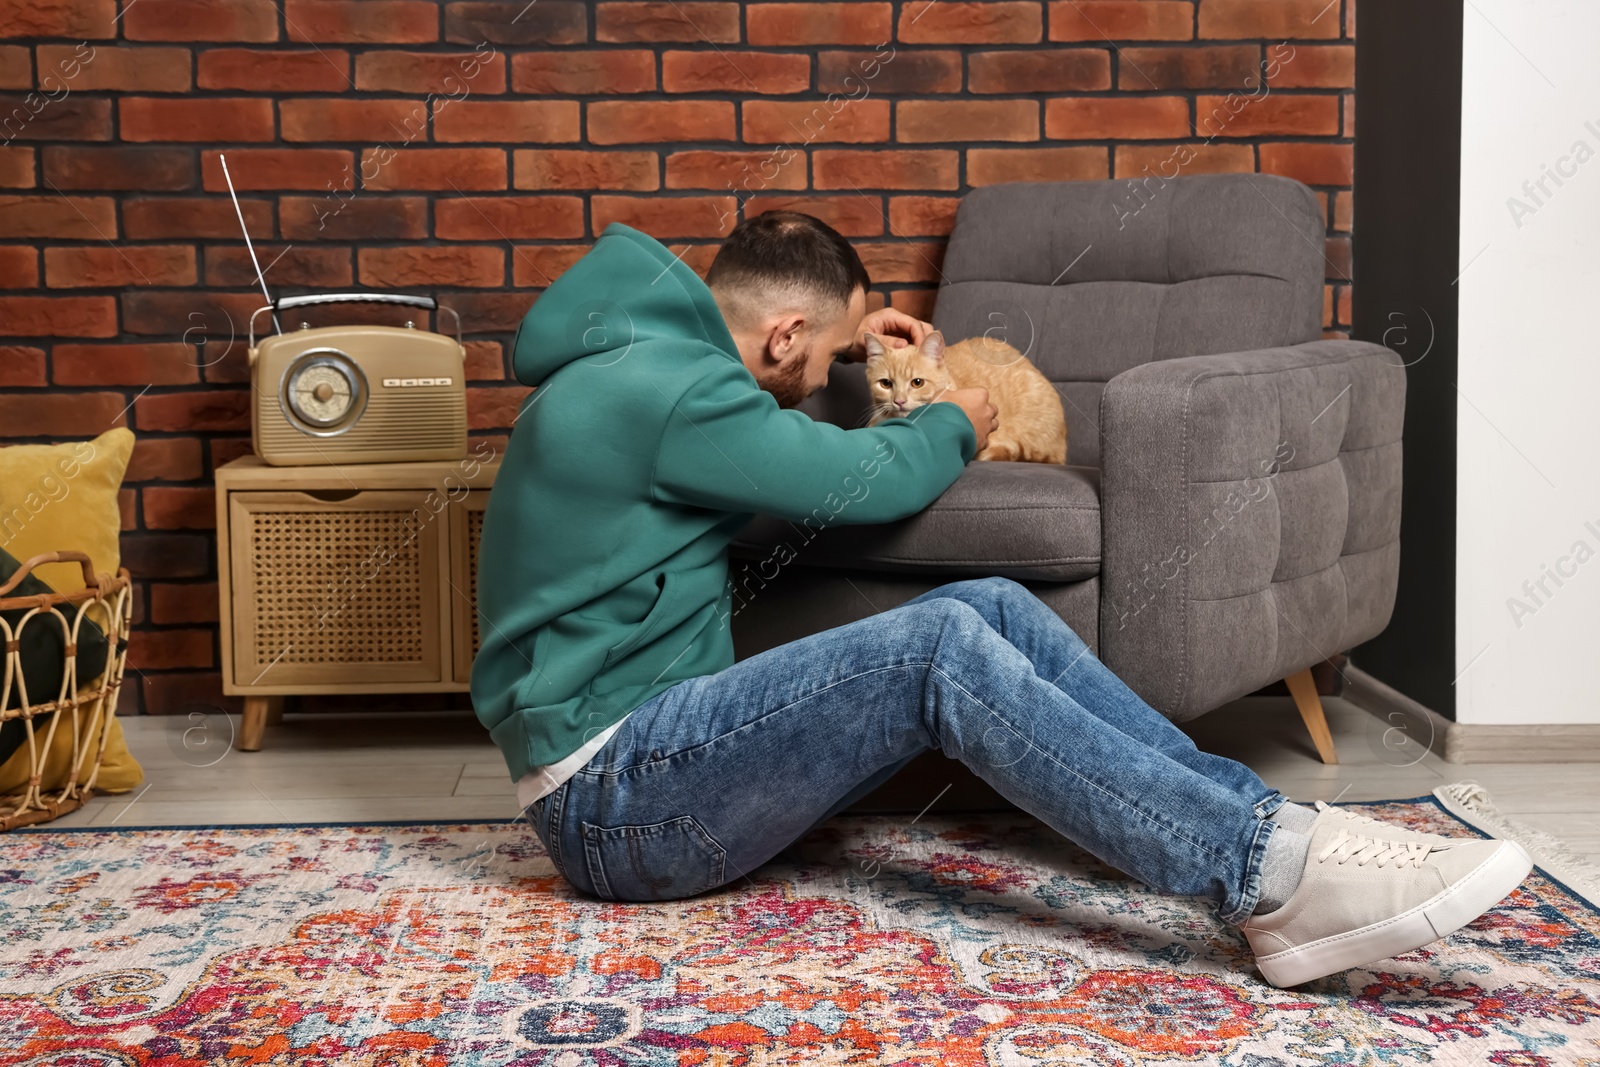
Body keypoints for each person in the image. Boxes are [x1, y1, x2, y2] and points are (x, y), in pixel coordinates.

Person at [471, 212, 1531, 988]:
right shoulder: (674, 392)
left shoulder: (637, 368)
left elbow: (772, 429)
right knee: (937, 646)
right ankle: (1267, 874)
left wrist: (875, 350)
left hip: (632, 772)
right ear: (784, 335)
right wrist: (959, 415)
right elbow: (867, 480)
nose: (840, 371)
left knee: (989, 601)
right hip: (619, 804)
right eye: (837, 355)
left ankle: (1268, 830)